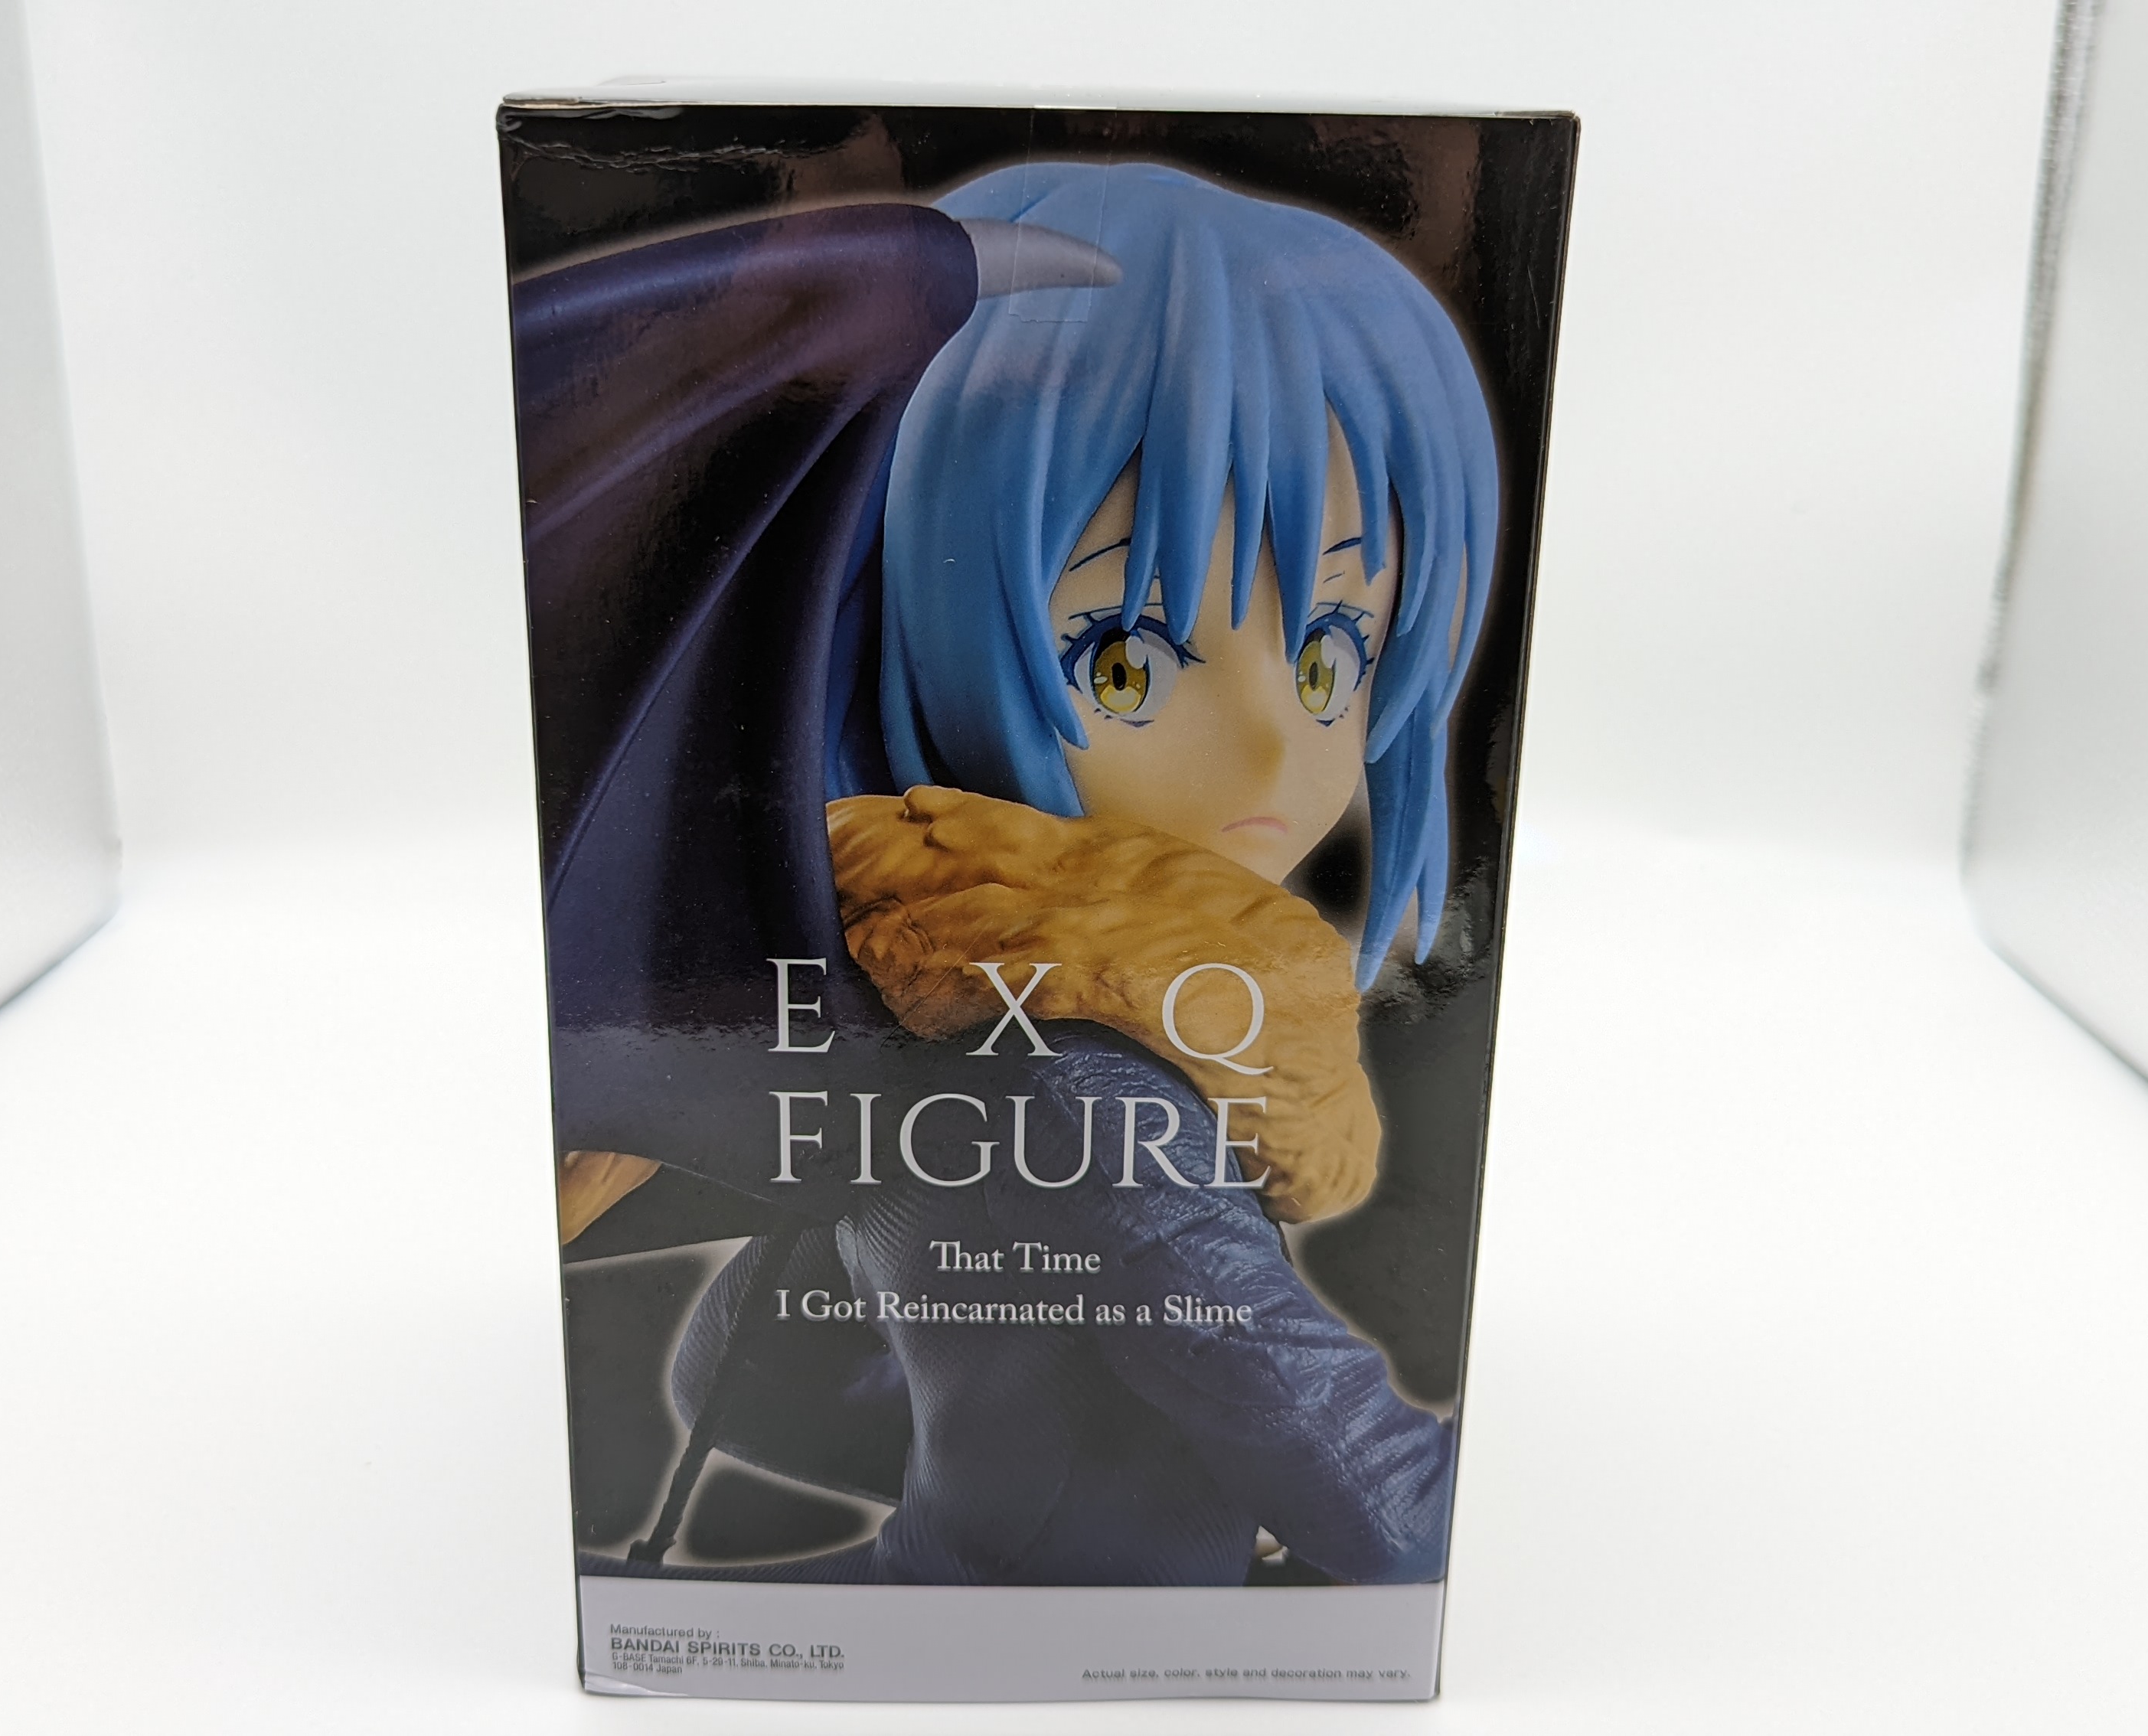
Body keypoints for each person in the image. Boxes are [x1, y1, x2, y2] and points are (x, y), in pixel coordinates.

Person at [525, 162, 1501, 1585]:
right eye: (1126, 660)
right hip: (1082, 1655)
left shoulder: (915, 988)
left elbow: (747, 1370)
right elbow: (1393, 1516)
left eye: (1328, 655)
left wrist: (1031, 1437)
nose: (1269, 748)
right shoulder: (1103, 1072)